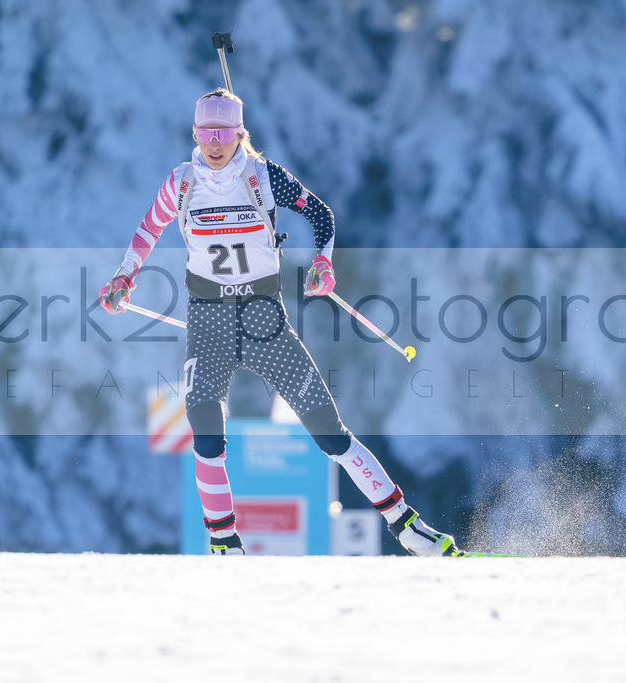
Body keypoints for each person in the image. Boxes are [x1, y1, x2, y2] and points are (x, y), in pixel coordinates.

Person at [99, 89, 460, 556]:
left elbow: (321, 214)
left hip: (264, 320)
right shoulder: (182, 183)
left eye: (223, 133)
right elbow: (148, 230)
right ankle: (224, 543)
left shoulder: (263, 177)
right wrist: (125, 275)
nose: (214, 143)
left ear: (239, 134)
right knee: (204, 428)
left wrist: (324, 264)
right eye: (205, 133)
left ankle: (408, 527)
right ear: (194, 133)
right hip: (209, 322)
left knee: (330, 431)